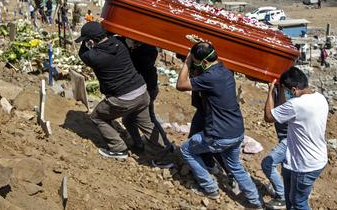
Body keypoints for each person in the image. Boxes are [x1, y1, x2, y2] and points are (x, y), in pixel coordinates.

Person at [176, 42, 263, 209]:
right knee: (235, 166)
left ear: (204, 62)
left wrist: (187, 61)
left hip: (219, 134)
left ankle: (210, 188)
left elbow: (180, 85)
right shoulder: (225, 70)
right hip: (237, 132)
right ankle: (255, 202)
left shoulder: (209, 77)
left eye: (196, 60)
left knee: (186, 150)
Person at [77, 22, 172, 164]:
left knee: (97, 117)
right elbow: (112, 36)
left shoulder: (95, 56)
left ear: (90, 41)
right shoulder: (120, 45)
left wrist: (89, 42)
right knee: (145, 125)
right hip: (142, 92)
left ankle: (118, 148)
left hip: (123, 98)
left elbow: (82, 53)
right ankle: (164, 158)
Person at [264, 67, 328, 210]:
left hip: (304, 164)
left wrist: (270, 91)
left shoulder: (296, 105)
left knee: (298, 202)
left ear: (293, 90)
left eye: (287, 91)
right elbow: (283, 110)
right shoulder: (320, 98)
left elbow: (269, 117)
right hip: (314, 158)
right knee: (292, 198)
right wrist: (281, 89)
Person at [124, 39, 171, 151]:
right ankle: (165, 144)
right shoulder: (149, 49)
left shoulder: (143, 52)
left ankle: (158, 147)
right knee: (149, 118)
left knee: (131, 119)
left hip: (146, 90)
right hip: (150, 88)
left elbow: (134, 62)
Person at [261, 86, 290, 210]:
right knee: (287, 170)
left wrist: (273, 91)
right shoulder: (280, 86)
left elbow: (271, 116)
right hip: (286, 137)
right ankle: (287, 194)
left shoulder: (288, 89)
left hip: (289, 139)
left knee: (267, 164)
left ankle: (282, 197)